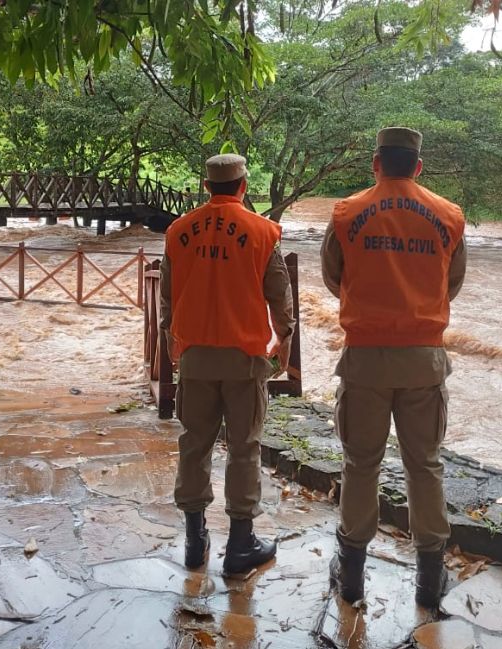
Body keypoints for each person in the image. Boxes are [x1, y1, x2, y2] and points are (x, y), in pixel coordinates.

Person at [321, 127, 467, 609]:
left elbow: (332, 277)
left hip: (364, 358)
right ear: (418, 166)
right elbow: (452, 283)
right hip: (423, 360)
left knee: (360, 465)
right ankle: (428, 580)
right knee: (424, 466)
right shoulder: (448, 216)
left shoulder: (347, 213)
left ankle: (353, 576)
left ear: (376, 163)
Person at [160, 154, 296, 576]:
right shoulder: (262, 232)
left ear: (206, 186)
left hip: (196, 357)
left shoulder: (178, 231)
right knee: (244, 448)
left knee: (194, 444)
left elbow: (167, 296)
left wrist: (172, 344)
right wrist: (284, 342)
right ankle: (240, 545)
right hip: (245, 359)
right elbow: (280, 297)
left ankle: (194, 540)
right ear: (244, 186)